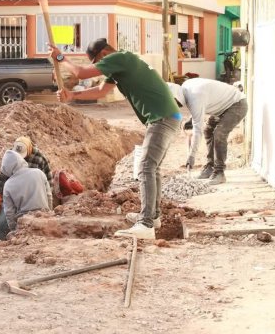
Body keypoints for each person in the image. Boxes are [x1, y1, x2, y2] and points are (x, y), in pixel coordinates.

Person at [50, 38, 181, 239]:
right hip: (166, 116)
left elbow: (81, 73)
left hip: (161, 117)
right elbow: (102, 91)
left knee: (146, 167)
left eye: (97, 63)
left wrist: (60, 58)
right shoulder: (122, 65)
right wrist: (72, 96)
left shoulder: (120, 58)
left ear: (103, 54)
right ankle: (153, 217)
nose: (98, 68)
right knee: (152, 168)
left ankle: (146, 224)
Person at [167, 78, 247, 185]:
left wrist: (191, 156)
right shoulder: (186, 87)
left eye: (175, 103)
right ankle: (210, 167)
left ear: (177, 97)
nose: (176, 106)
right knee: (208, 130)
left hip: (237, 105)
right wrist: (192, 118)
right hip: (223, 107)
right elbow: (202, 100)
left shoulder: (195, 97)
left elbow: (197, 130)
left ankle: (219, 173)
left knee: (219, 133)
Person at [0, 137, 53, 238]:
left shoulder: (40, 159)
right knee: (2, 224)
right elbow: (49, 195)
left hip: (30, 210)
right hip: (24, 205)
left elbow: (49, 186)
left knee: (5, 223)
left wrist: (15, 231)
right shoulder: (11, 157)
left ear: (29, 149)